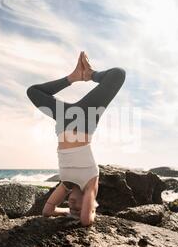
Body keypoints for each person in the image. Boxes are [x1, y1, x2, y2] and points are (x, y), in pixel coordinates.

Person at [26, 51, 126, 226]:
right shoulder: (90, 182)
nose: (72, 206)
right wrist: (89, 212)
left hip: (64, 118)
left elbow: (47, 211)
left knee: (32, 91)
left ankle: (73, 77)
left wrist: (63, 211)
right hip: (86, 117)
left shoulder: (66, 184)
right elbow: (87, 221)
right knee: (118, 74)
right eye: (78, 208)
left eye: (71, 208)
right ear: (90, 202)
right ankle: (89, 74)